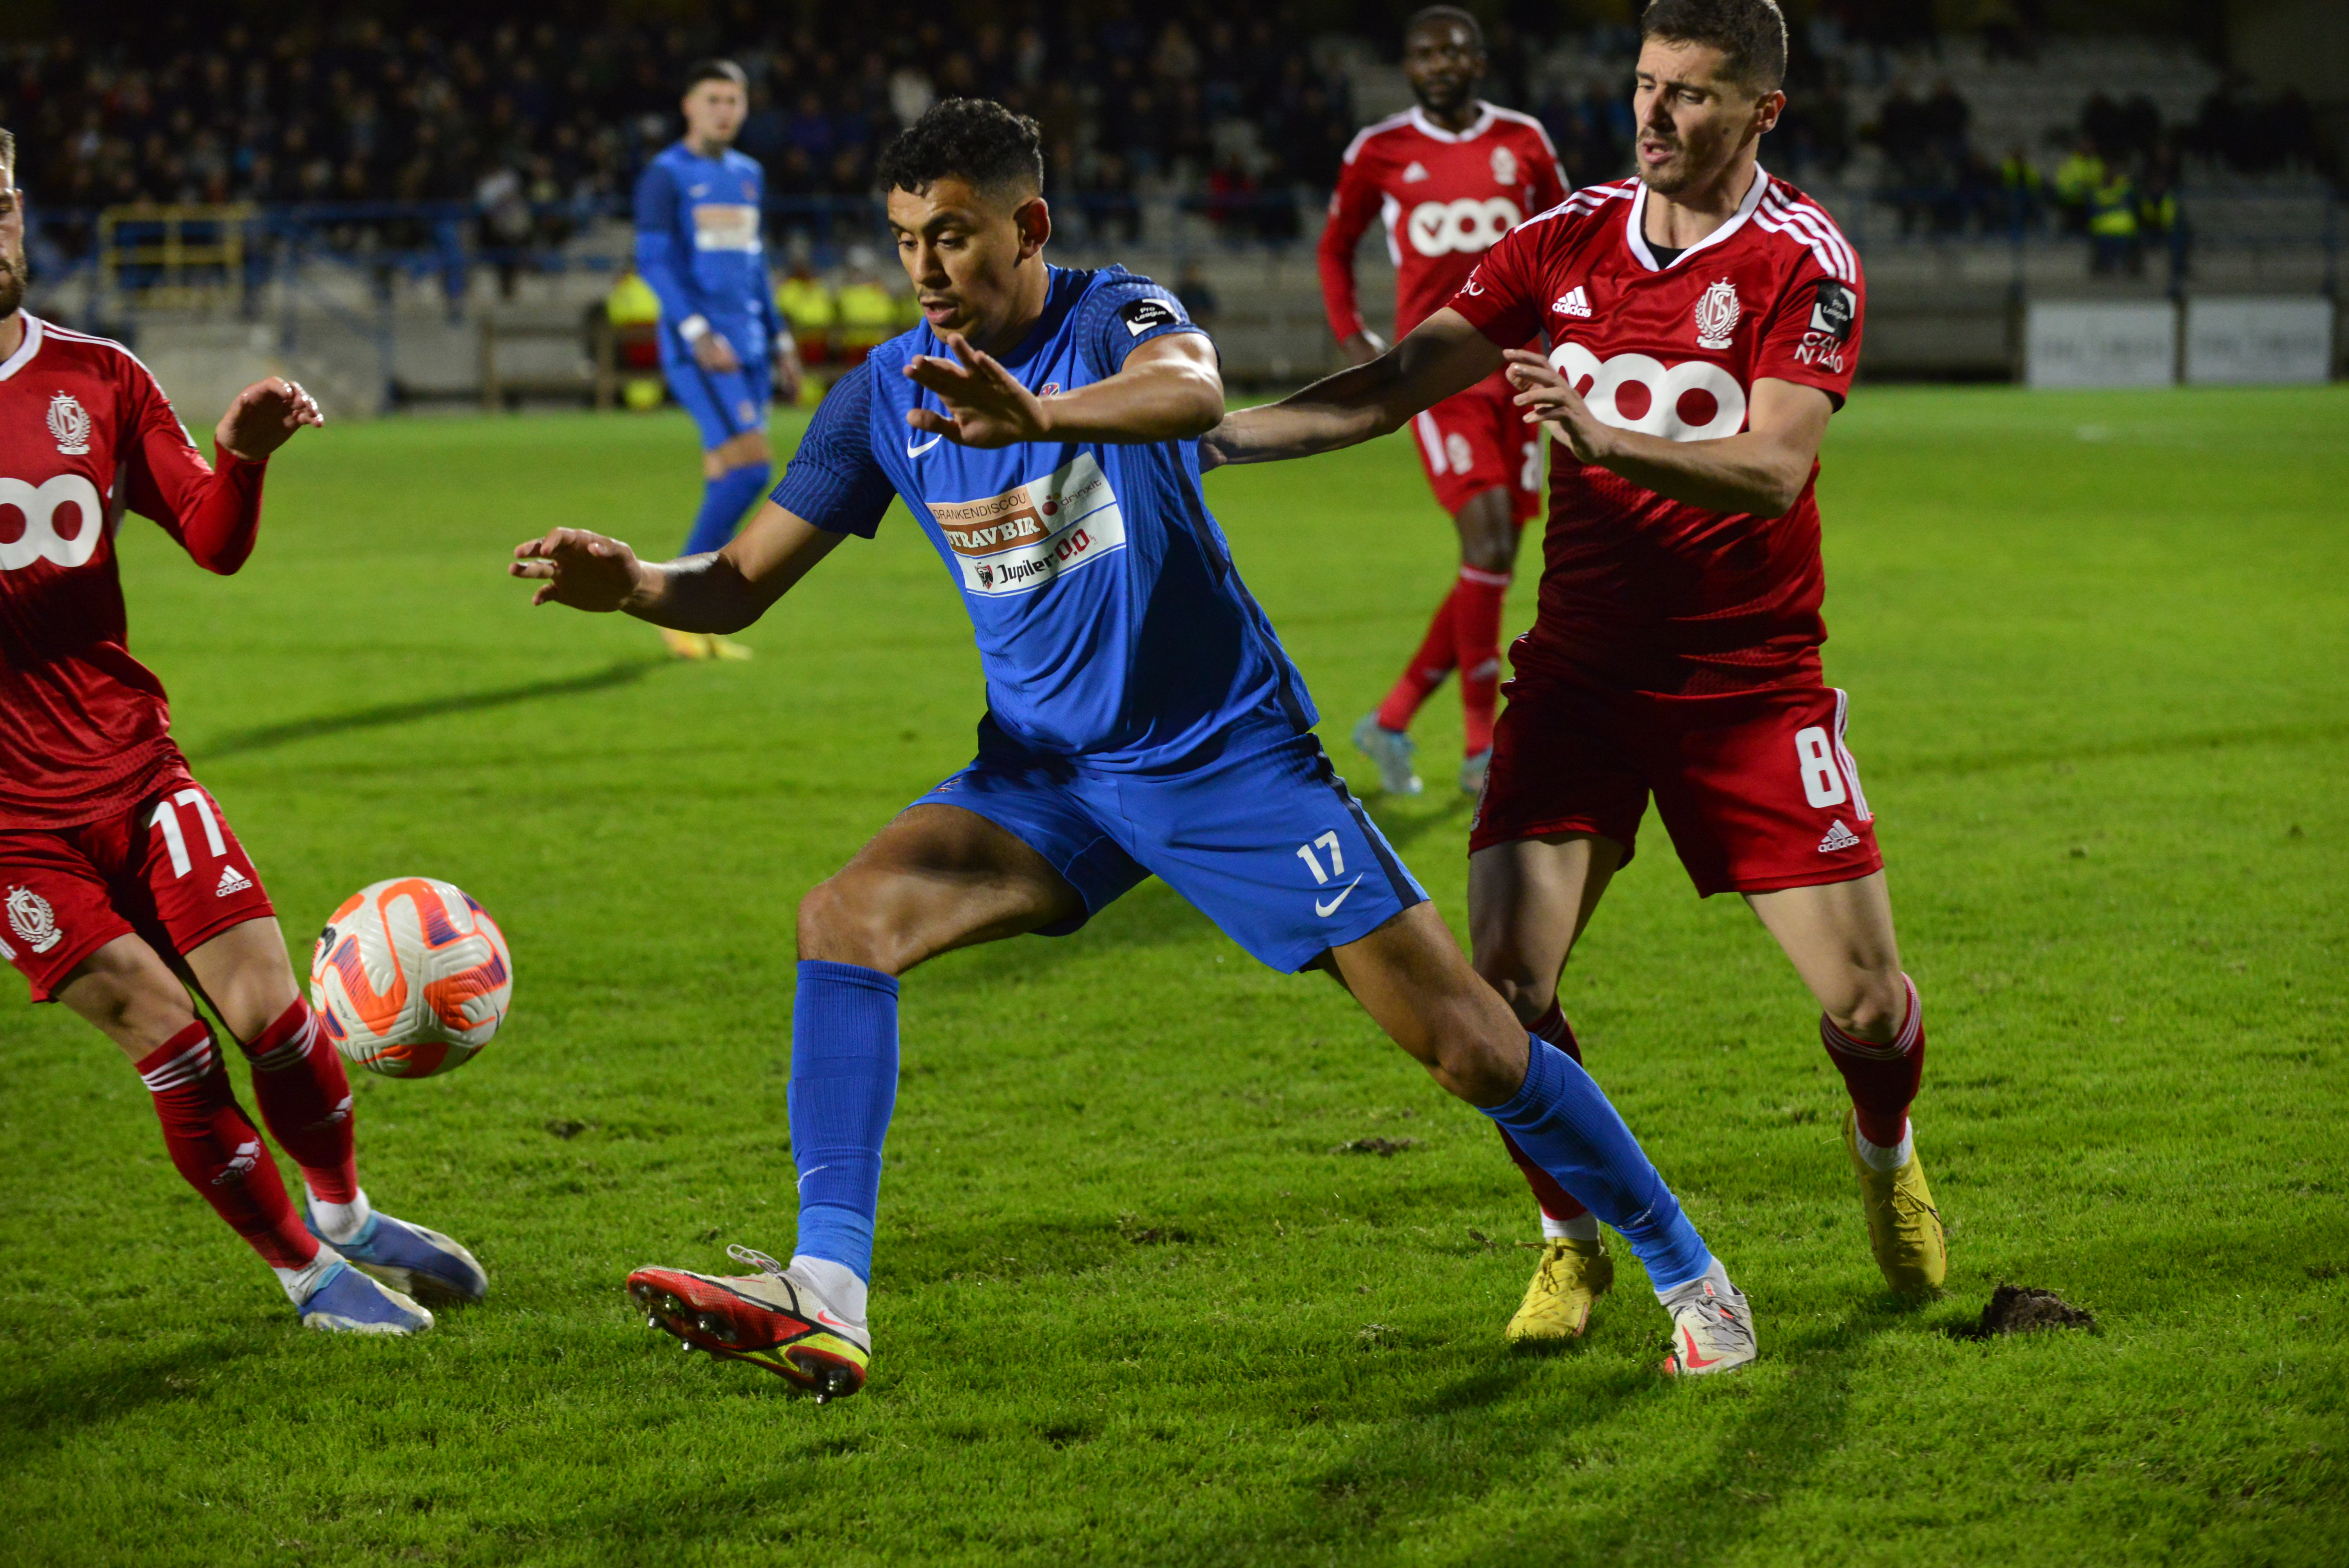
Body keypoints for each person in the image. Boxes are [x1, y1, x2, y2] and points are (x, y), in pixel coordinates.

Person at [512, 98, 1758, 1400]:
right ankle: (827, 1292)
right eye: (906, 240)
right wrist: (637, 584)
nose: (926, 267)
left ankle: (1689, 1270)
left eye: (953, 235)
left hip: (1223, 761)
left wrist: (1040, 419)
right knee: (844, 917)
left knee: (1472, 1048)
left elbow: (1193, 390)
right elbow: (736, 583)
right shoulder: (882, 395)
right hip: (1048, 779)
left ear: (1028, 226)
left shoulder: (1113, 316)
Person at [1203, 0, 1944, 1345]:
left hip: (1747, 680)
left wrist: (1604, 443)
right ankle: (1571, 1241)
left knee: (1865, 1001)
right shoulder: (1564, 239)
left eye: (1691, 93)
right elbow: (1391, 384)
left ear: (1762, 111)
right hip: (1582, 676)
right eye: (1646, 84)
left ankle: (1885, 1152)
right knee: (1504, 992)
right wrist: (1205, 441)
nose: (1653, 114)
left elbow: (1776, 468)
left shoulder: (1802, 258)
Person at [0, 128, 486, 1334]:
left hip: (135, 766)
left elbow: (213, 540)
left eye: (1, 203)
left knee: (275, 1012)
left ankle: (344, 1212)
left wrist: (243, 458)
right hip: (13, 830)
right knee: (171, 1040)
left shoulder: (98, 378)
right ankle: (305, 1276)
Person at [1319, 7, 1566, 798]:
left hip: (1518, 368)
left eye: (1454, 52)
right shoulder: (1379, 149)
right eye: (1426, 54)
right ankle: (1481, 751)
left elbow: (1568, 240)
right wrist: (1353, 337)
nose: (1440, 65)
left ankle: (1391, 720)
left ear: (1478, 63)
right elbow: (1334, 246)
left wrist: (1574, 339)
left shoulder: (1524, 141)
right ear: (1408, 66)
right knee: (1487, 545)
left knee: (1490, 562)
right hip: (1436, 375)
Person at [633, 59, 806, 661]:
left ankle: (698, 624)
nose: (724, 111)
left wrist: (781, 341)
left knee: (725, 475)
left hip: (751, 348)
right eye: (713, 99)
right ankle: (673, 602)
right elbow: (654, 261)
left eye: (734, 100)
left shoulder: (748, 174)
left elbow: (754, 266)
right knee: (752, 472)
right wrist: (697, 330)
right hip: (704, 351)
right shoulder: (666, 175)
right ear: (689, 106)